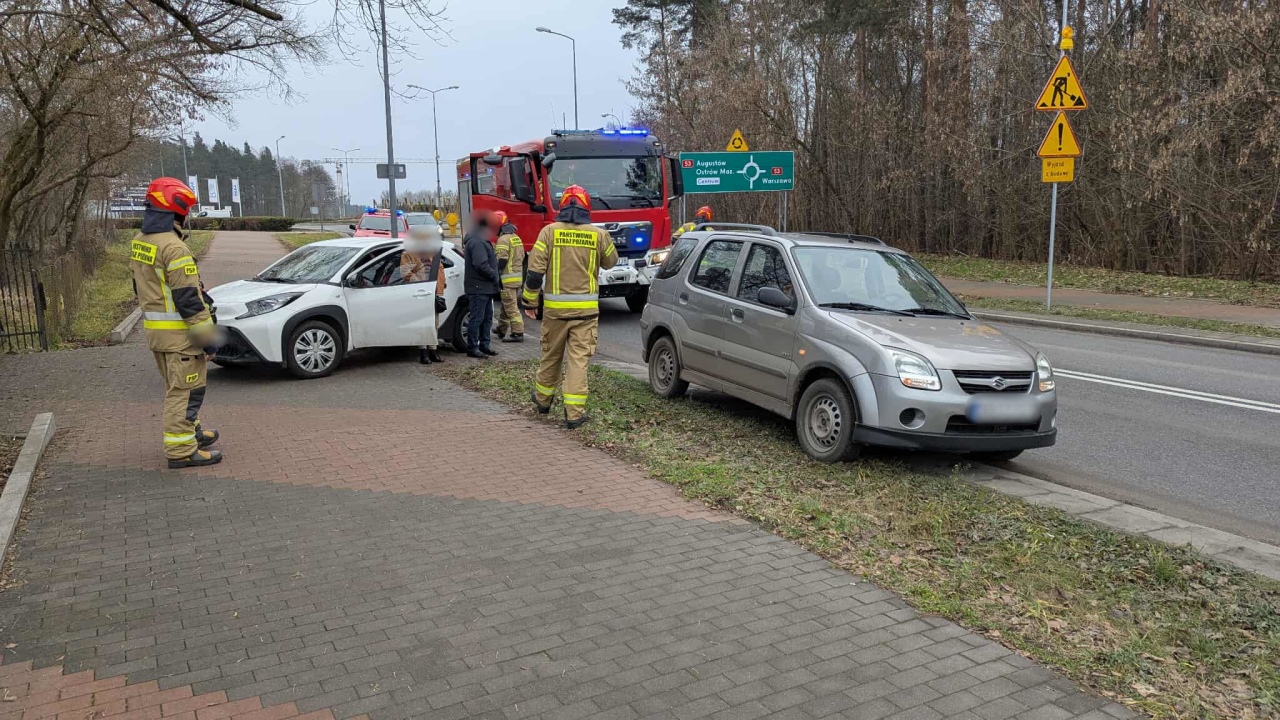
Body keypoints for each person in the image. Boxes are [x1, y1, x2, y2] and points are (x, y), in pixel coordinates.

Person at [130, 177, 222, 468]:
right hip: (182, 337)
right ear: (177, 211)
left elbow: (141, 287)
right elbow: (189, 301)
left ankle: (192, 433)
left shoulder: (141, 242)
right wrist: (207, 339)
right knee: (186, 393)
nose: (188, 216)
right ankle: (182, 451)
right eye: (187, 211)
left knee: (180, 389)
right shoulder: (174, 248)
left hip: (158, 336)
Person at [520, 185, 617, 428]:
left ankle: (543, 401)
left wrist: (530, 302)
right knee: (578, 361)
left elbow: (534, 274)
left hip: (555, 311)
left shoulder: (548, 232)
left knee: (551, 356)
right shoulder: (598, 235)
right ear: (586, 207)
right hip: (586, 313)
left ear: (562, 206)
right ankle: (574, 414)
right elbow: (611, 261)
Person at [401, 224, 448, 364]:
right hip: (420, 292)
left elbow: (439, 268)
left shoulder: (432, 252)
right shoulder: (408, 253)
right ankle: (424, 352)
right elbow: (405, 272)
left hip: (433, 292)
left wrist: (441, 284)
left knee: (434, 323)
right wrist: (419, 284)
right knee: (423, 323)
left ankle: (433, 351)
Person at [462, 210, 500, 359]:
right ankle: (473, 347)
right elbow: (481, 264)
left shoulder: (480, 239)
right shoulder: (477, 241)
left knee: (487, 318)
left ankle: (484, 345)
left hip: (485, 287)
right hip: (479, 287)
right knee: (477, 318)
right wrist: (494, 276)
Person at [493, 211, 526, 342]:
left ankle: (518, 333)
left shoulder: (503, 240)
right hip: (517, 278)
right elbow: (522, 257)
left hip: (507, 278)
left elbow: (502, 259)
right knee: (506, 304)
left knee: (511, 307)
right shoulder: (516, 237)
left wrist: (497, 273)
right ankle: (501, 329)